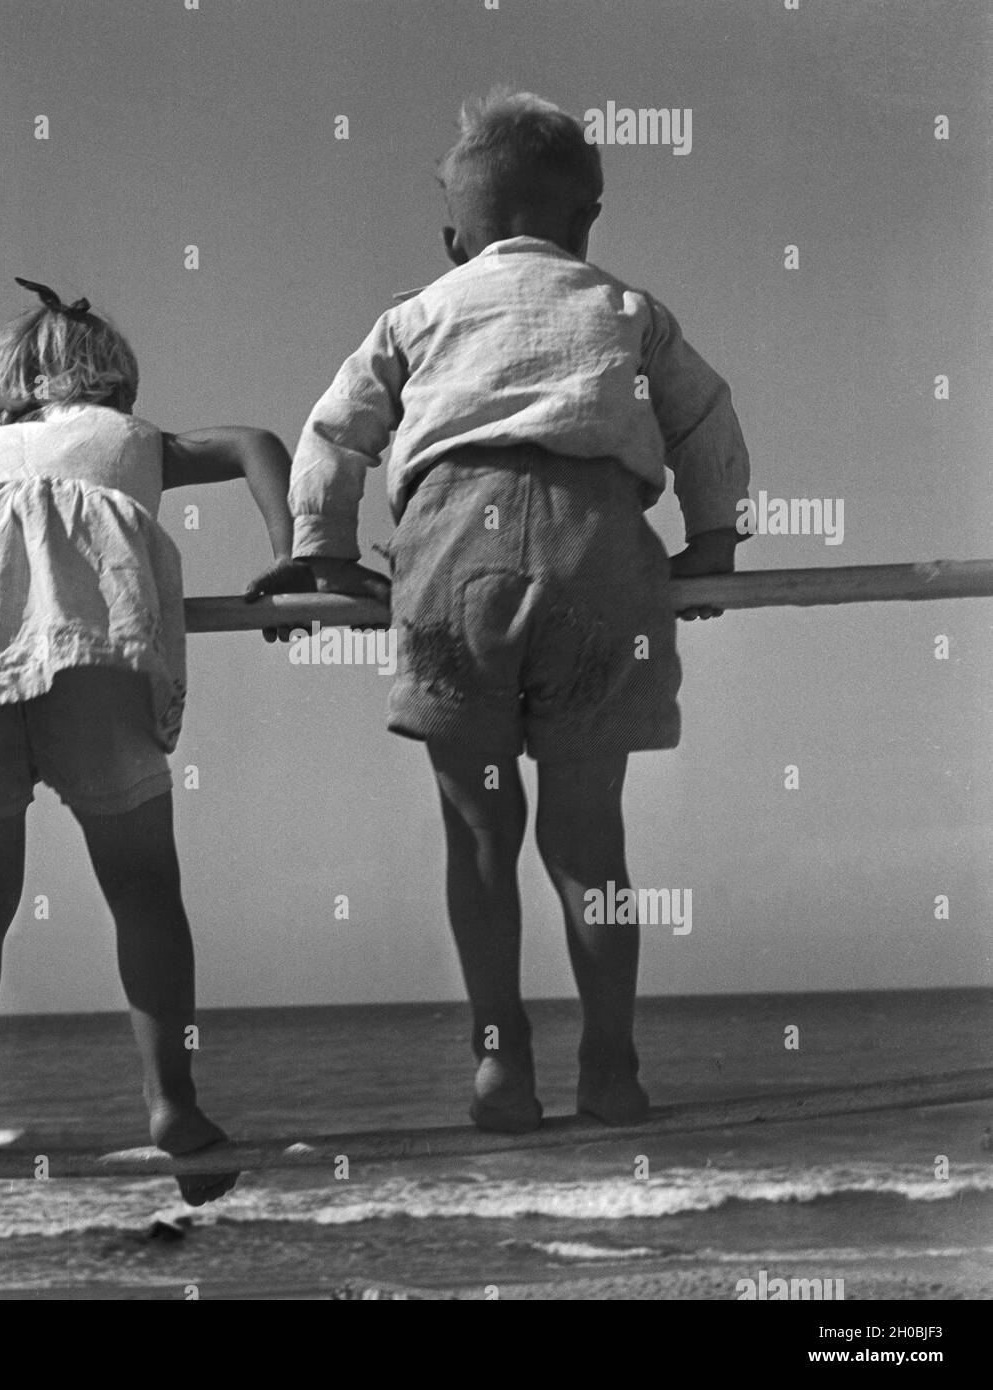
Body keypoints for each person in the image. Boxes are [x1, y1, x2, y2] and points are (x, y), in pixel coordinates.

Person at [250, 90, 751, 1131]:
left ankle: (499, 1063)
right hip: (598, 556)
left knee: (479, 837)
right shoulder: (625, 308)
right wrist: (712, 541)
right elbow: (705, 415)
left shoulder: (416, 313)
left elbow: (333, 438)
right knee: (588, 843)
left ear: (452, 237)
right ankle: (609, 1064)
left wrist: (325, 554)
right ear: (585, 224)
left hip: (448, 558)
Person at [0, 278, 296, 1202]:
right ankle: (172, 1106)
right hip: (89, 656)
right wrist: (289, 549)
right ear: (112, 384)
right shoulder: (132, 438)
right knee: (145, 889)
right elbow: (254, 444)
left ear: (2, 389)